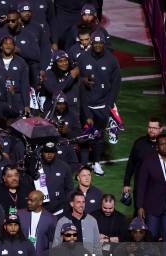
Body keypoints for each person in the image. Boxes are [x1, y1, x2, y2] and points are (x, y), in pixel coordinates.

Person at [78, 30, 121, 175]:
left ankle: (96, 163)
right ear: (91, 43)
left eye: (100, 43)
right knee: (85, 135)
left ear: (104, 44)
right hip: (86, 105)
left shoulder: (112, 60)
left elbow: (116, 84)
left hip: (102, 106)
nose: (97, 45)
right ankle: (84, 166)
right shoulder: (83, 58)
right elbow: (75, 79)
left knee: (99, 135)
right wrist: (83, 80)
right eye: (95, 42)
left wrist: (109, 105)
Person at [0, 36, 31, 118]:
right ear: (1, 46)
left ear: (14, 47)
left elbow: (25, 85)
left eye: (11, 44)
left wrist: (26, 105)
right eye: (5, 43)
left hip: (16, 99)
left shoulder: (21, 62)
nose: (8, 46)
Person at [37, 142, 74, 217]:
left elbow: (69, 189)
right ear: (42, 152)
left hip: (60, 210)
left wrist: (66, 206)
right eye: (47, 152)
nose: (49, 154)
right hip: (40, 209)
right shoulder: (36, 166)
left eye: (52, 152)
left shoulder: (64, 167)